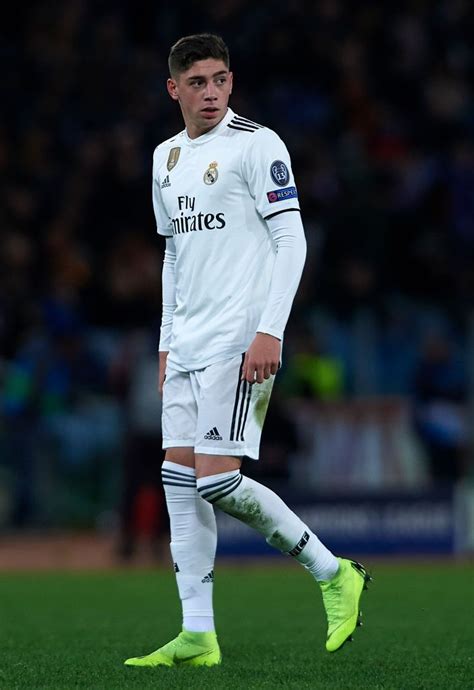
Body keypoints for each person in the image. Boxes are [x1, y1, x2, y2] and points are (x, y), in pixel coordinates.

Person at [124, 33, 371, 669]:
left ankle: (332, 571)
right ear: (174, 89)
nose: (212, 93)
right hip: (187, 341)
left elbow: (292, 241)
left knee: (217, 481)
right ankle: (198, 633)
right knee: (179, 478)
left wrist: (271, 330)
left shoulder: (258, 145)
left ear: (232, 82)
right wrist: (164, 342)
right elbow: (174, 253)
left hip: (239, 337)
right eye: (198, 82)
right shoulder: (166, 157)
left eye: (221, 79)